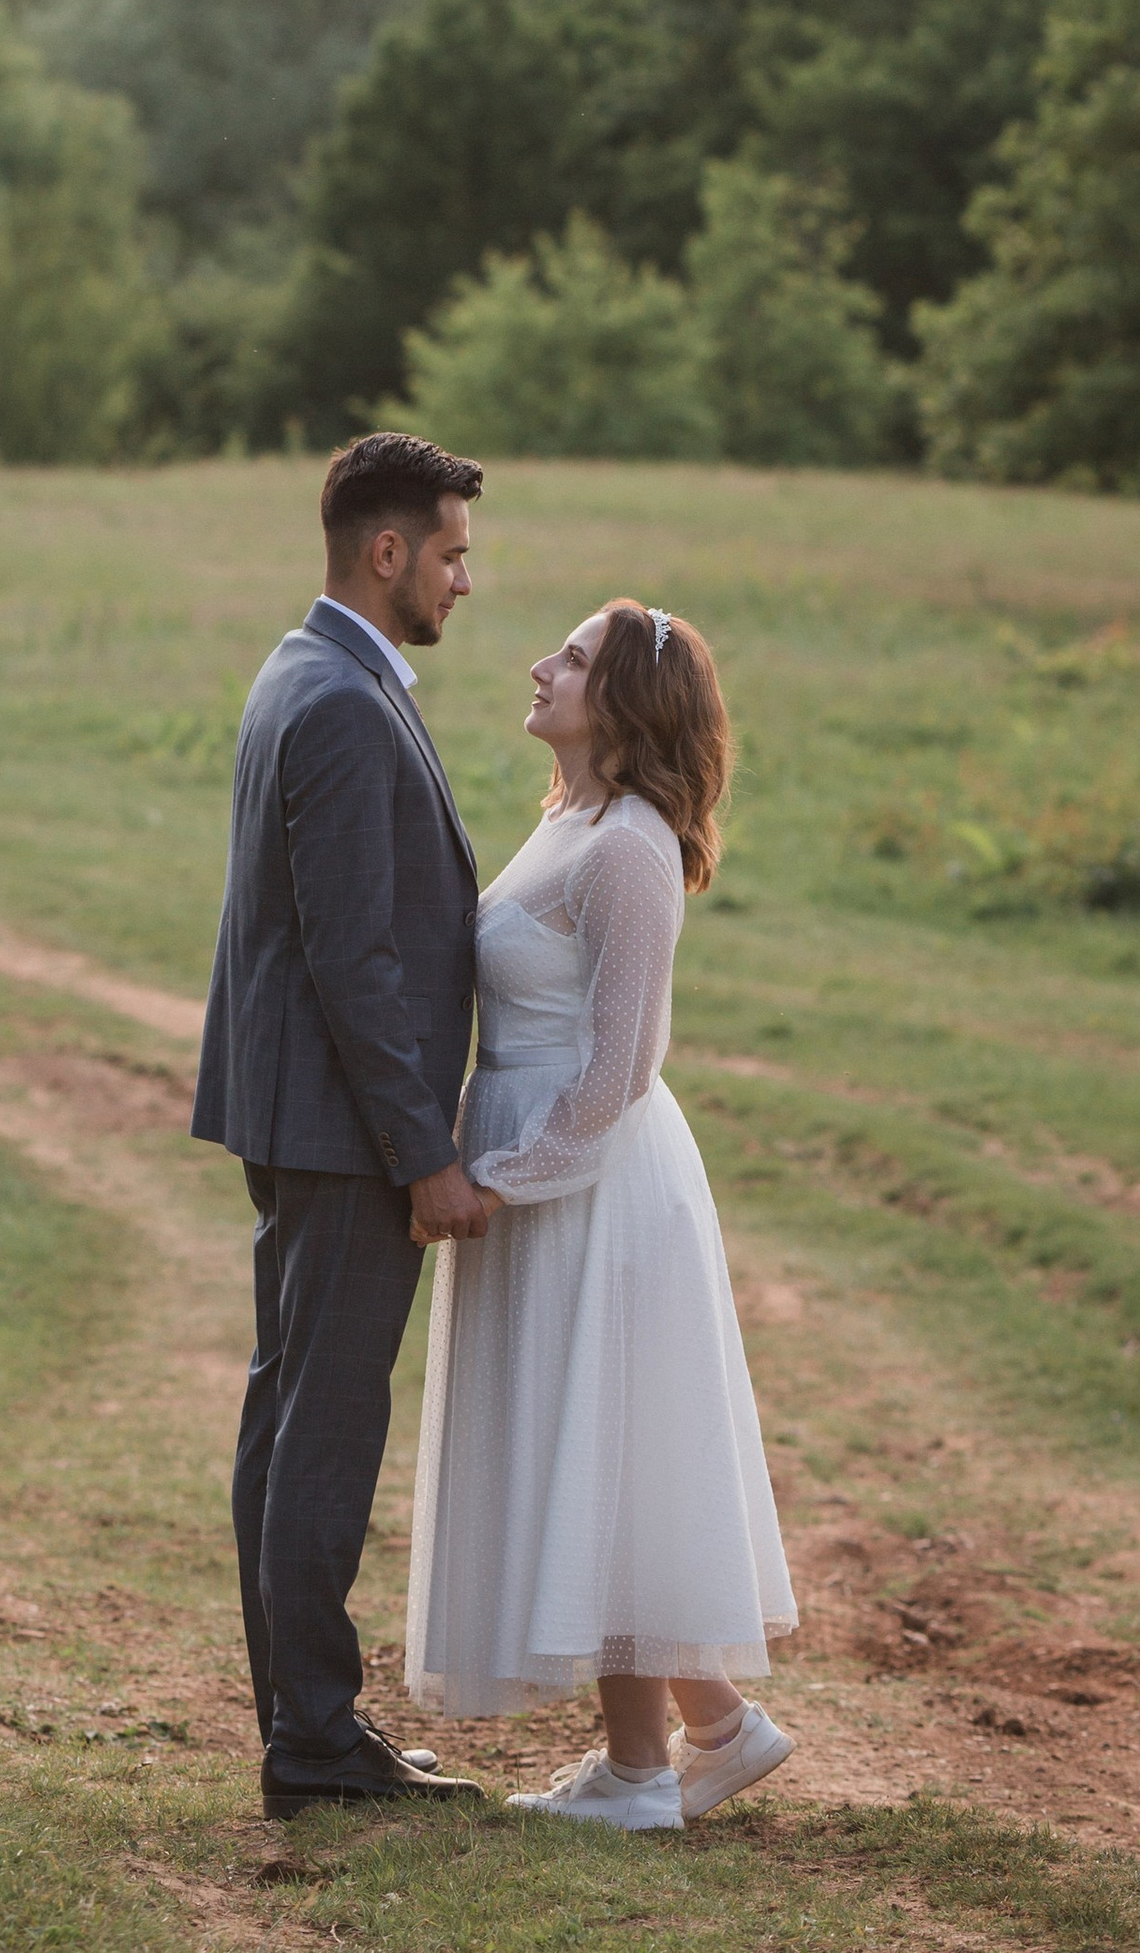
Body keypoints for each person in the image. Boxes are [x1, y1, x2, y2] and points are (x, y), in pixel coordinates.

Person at [402, 598, 797, 1831]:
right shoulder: (565, 823)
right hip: (544, 1175)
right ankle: (718, 1727)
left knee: (606, 1456)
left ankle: (636, 1778)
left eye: (569, 659)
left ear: (622, 703)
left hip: (596, 1187)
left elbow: (621, 1065)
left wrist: (496, 1177)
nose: (539, 665)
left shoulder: (628, 846)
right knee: (594, 1448)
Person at [191, 430, 498, 1821]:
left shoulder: (314, 672)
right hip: (341, 1133)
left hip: (307, 1121)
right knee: (320, 1429)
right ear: (388, 552)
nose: (461, 581)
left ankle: (303, 1718)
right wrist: (422, 1154)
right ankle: (312, 1738)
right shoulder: (336, 701)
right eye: (450, 553)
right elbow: (351, 961)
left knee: (288, 1414)